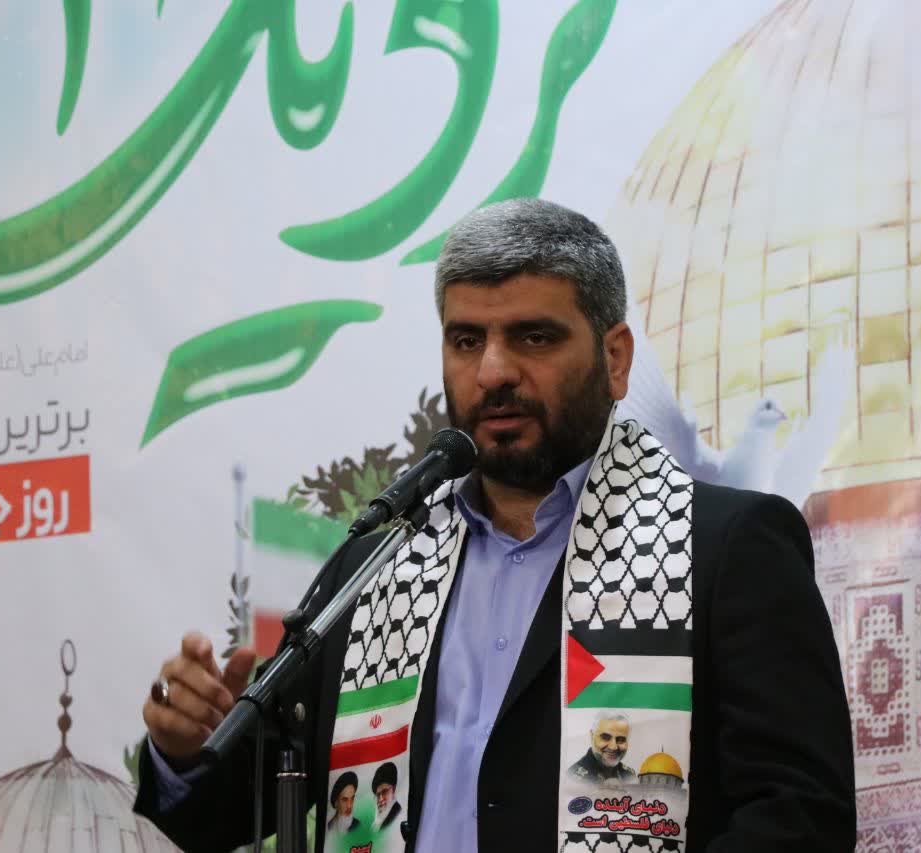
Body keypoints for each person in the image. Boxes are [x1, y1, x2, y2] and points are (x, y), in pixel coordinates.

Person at [133, 198, 857, 852]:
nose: (493, 372)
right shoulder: (377, 566)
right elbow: (218, 813)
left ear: (615, 358)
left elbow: (801, 819)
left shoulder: (727, 547)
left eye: (533, 337)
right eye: (467, 340)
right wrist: (184, 748)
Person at [567, 712, 635, 785]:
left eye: (621, 739)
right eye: (605, 737)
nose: (613, 747)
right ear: (592, 736)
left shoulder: (630, 775)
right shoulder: (573, 779)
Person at [372, 762, 403, 832]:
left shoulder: (397, 816)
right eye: (378, 795)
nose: (381, 799)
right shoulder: (378, 822)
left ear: (393, 789)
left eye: (384, 792)